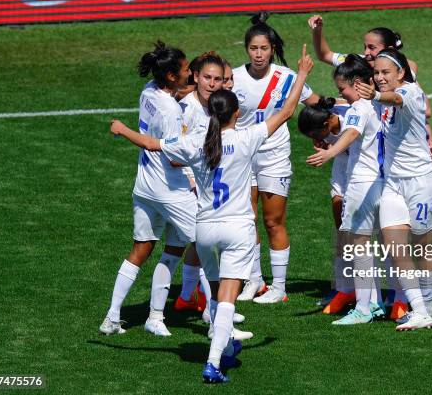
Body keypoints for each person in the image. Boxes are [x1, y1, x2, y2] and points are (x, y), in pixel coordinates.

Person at [110, 44, 314, 383]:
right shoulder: (248, 137)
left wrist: (122, 130)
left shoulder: (197, 142)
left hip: (204, 230)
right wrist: (303, 73)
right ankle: (214, 361)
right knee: (228, 300)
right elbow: (288, 111)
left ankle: (223, 341)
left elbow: (150, 144)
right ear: (236, 114)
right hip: (237, 231)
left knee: (217, 291)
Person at [99, 41, 196, 337]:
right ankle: (221, 320)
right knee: (207, 245)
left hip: (144, 186)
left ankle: (116, 317)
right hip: (172, 191)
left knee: (142, 249)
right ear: (170, 76)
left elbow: (171, 99)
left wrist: (190, 91)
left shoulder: (149, 92)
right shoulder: (171, 112)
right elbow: (174, 156)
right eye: (185, 70)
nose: (190, 73)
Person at [233, 11, 320, 304]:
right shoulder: (233, 77)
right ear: (247, 49)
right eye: (254, 49)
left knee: (273, 222)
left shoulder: (286, 77)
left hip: (274, 157)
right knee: (247, 220)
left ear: (273, 49)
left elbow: (316, 104)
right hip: (243, 158)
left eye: (264, 49)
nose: (259, 55)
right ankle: (254, 280)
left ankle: (279, 287)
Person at [356, 48, 432, 330]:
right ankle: (418, 310)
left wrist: (377, 95)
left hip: (422, 183)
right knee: (395, 248)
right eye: (377, 73)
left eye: (386, 73)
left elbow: (395, 97)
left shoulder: (412, 93)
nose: (380, 78)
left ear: (401, 73)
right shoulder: (383, 92)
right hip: (394, 183)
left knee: (422, 249)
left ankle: (427, 307)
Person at [306, 54, 387, 325]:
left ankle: (364, 307)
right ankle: (374, 301)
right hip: (382, 181)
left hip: (361, 183)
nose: (340, 94)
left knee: (358, 245)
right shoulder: (380, 105)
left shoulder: (358, 108)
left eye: (342, 88)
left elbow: (351, 134)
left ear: (355, 83)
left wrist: (331, 154)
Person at [178, 51, 252, 341]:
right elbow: (177, 154)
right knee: (186, 246)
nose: (213, 83)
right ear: (196, 77)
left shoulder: (215, 106)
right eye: (208, 78)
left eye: (219, 79)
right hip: (190, 189)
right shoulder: (187, 109)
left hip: (207, 192)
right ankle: (198, 304)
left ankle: (213, 312)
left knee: (201, 247)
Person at [307, 14, 432, 162]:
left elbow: (425, 111)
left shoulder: (402, 71)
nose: (366, 53)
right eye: (365, 47)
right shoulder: (357, 62)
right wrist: (317, 30)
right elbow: (324, 54)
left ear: (389, 50)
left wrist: (430, 141)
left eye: (372, 48)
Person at [298, 98, 357, 314]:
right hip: (342, 170)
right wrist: (327, 144)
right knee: (341, 229)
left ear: (326, 125)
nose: (315, 140)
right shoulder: (324, 115)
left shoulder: (351, 116)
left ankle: (379, 291)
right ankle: (344, 288)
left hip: (363, 172)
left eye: (315, 135)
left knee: (363, 232)